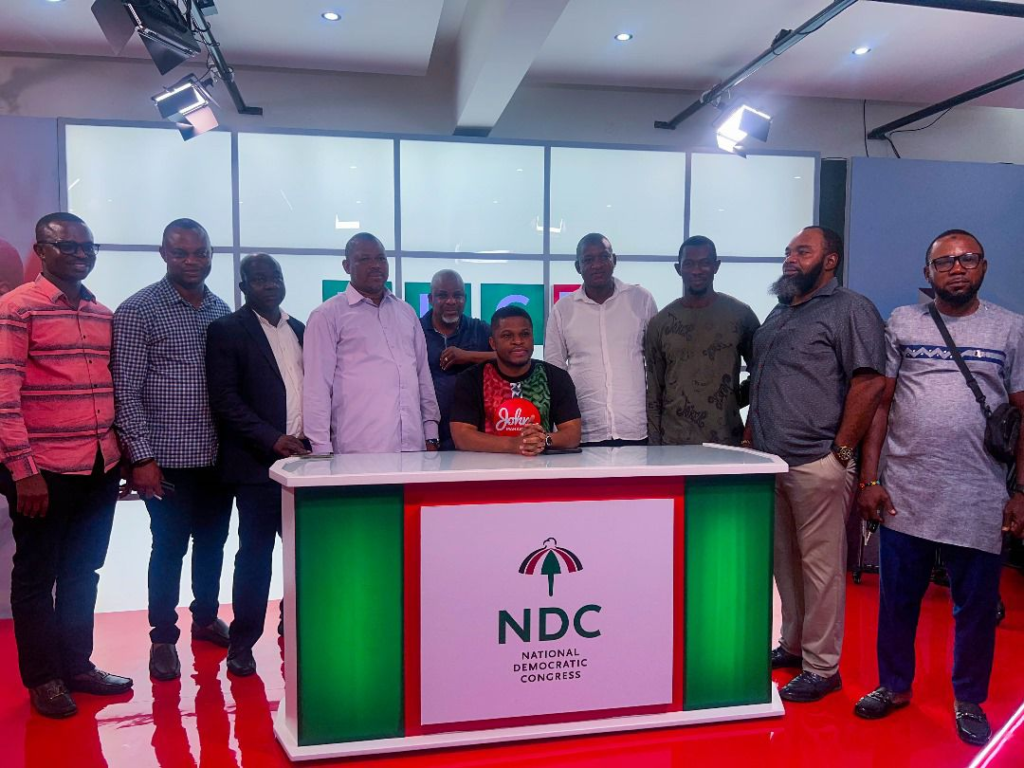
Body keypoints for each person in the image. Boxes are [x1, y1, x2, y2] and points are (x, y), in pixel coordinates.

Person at [853, 230, 1024, 746]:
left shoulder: (1011, 329)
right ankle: (893, 686)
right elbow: (880, 404)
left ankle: (969, 697)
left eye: (967, 259)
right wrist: (870, 478)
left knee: (975, 609)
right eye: (944, 262)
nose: (956, 268)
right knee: (897, 602)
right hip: (906, 489)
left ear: (983, 267)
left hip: (980, 493)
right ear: (927, 273)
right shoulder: (903, 322)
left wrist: (1021, 491)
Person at [0, 213, 131, 718]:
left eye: (87, 246)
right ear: (41, 250)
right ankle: (44, 678)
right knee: (37, 576)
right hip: (42, 471)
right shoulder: (17, 308)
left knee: (83, 571)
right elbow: (4, 395)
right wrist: (23, 471)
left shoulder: (101, 313)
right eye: (67, 245)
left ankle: (77, 665)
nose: (80, 253)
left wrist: (119, 457)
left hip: (98, 466)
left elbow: (109, 389)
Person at [747, 226, 885, 703]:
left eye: (802, 251)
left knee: (821, 570)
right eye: (788, 251)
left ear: (830, 260)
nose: (790, 259)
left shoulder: (850, 308)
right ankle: (792, 645)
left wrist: (841, 453)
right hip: (770, 463)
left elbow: (869, 383)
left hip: (816, 462)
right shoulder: (781, 310)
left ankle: (823, 667)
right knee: (785, 563)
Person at [112, 218, 233, 682]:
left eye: (200, 252)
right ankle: (162, 637)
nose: (191, 261)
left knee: (213, 543)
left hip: (216, 457)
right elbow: (125, 390)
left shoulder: (220, 310)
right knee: (168, 548)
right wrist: (141, 457)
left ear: (211, 255)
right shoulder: (138, 310)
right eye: (181, 252)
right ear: (163, 254)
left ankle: (205, 618)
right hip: (164, 460)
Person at [206, 254, 309, 678]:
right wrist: (272, 438)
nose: (270, 285)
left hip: (306, 463)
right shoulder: (227, 330)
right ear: (244, 286)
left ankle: (294, 622)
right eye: (260, 279)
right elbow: (225, 399)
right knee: (255, 556)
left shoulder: (301, 329)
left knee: (304, 553)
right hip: (257, 466)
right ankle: (243, 643)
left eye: (275, 277)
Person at [303, 232, 440, 454]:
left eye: (381, 258)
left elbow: (422, 376)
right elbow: (316, 388)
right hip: (358, 450)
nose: (375, 265)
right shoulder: (327, 315)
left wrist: (431, 432)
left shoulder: (406, 312)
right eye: (364, 259)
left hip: (413, 448)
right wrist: (321, 448)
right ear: (346, 266)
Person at [645, 235, 759, 446]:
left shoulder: (741, 315)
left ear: (716, 266)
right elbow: (653, 390)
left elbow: (762, 374)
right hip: (673, 442)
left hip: (727, 439)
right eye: (689, 264)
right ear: (678, 269)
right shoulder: (661, 323)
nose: (696, 270)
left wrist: (732, 399)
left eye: (704, 263)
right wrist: (654, 447)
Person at [545, 233, 657, 446]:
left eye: (604, 257)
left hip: (636, 429)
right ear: (578, 266)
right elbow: (554, 370)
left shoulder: (641, 299)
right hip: (585, 430)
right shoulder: (563, 310)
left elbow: (656, 362)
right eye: (588, 259)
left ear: (614, 260)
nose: (597, 265)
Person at [451, 306, 581, 454]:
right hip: (487, 465)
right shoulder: (471, 379)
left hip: (540, 465)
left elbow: (573, 435)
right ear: (493, 343)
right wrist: (513, 444)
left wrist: (544, 440)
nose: (518, 341)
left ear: (533, 338)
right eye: (507, 335)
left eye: (525, 334)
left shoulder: (556, 377)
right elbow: (461, 436)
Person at [419, 269, 494, 450]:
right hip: (425, 433)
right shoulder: (416, 330)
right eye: (442, 295)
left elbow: (510, 358)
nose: (451, 301)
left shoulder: (479, 329)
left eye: (457, 295)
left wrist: (467, 356)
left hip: (475, 432)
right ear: (430, 299)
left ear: (465, 299)